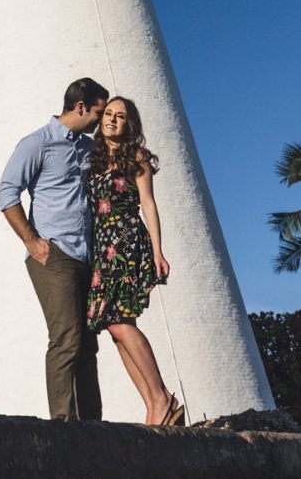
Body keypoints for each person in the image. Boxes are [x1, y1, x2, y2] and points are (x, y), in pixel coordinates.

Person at [0, 77, 109, 421]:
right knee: (67, 340)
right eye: (98, 113)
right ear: (80, 107)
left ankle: (93, 427)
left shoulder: (89, 149)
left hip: (86, 257)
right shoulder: (37, 144)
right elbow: (6, 192)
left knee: (88, 345)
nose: (100, 122)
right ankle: (63, 427)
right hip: (54, 255)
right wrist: (31, 240)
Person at [87, 96, 184, 426]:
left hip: (127, 244)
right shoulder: (93, 160)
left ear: (130, 124)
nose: (113, 120)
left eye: (121, 116)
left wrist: (157, 250)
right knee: (115, 330)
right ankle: (154, 404)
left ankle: (163, 399)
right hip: (103, 250)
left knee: (119, 322)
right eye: (109, 114)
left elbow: (148, 204)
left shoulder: (137, 157)